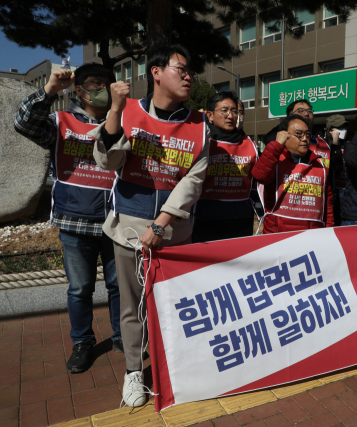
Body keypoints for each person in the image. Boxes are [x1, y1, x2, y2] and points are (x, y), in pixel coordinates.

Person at [89, 45, 209, 407]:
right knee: (132, 306)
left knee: (174, 303)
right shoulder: (128, 112)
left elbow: (193, 181)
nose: (188, 76)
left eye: (191, 71)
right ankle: (132, 372)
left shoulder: (199, 124)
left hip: (173, 233)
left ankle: (174, 363)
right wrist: (113, 109)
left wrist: (161, 224)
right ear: (156, 72)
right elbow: (107, 160)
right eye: (181, 69)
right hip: (128, 229)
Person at [14, 63, 122, 373]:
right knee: (80, 288)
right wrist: (49, 90)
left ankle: (121, 337)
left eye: (105, 85)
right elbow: (24, 123)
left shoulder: (123, 124)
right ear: (80, 90)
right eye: (94, 84)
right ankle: (82, 343)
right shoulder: (61, 122)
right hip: (74, 222)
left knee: (118, 286)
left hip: (116, 223)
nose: (99, 90)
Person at [192, 92, 258, 242]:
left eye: (234, 111)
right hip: (206, 220)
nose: (230, 116)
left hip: (242, 221)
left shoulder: (250, 143)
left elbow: (259, 178)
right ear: (210, 115)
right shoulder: (201, 141)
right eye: (224, 110)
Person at [252, 114, 334, 233]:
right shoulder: (276, 161)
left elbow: (327, 205)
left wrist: (329, 232)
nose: (305, 139)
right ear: (284, 135)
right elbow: (260, 175)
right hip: (278, 236)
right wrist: (276, 145)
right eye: (298, 134)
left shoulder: (320, 164)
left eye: (307, 134)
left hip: (313, 236)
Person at [325, 114, 350, 226]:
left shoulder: (348, 145)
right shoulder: (324, 147)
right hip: (334, 193)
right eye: (340, 128)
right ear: (330, 130)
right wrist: (334, 145)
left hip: (347, 192)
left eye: (344, 127)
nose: (343, 130)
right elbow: (336, 168)